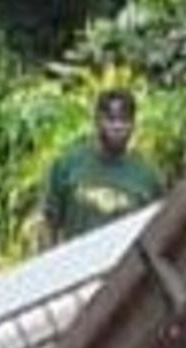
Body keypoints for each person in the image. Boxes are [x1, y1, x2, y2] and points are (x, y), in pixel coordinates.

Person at [42, 88, 162, 246]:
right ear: (97, 121)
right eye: (111, 119)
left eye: (125, 120)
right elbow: (50, 224)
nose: (118, 127)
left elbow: (154, 233)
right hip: (77, 266)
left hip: (124, 268)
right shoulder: (68, 165)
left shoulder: (147, 177)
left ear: (133, 125)